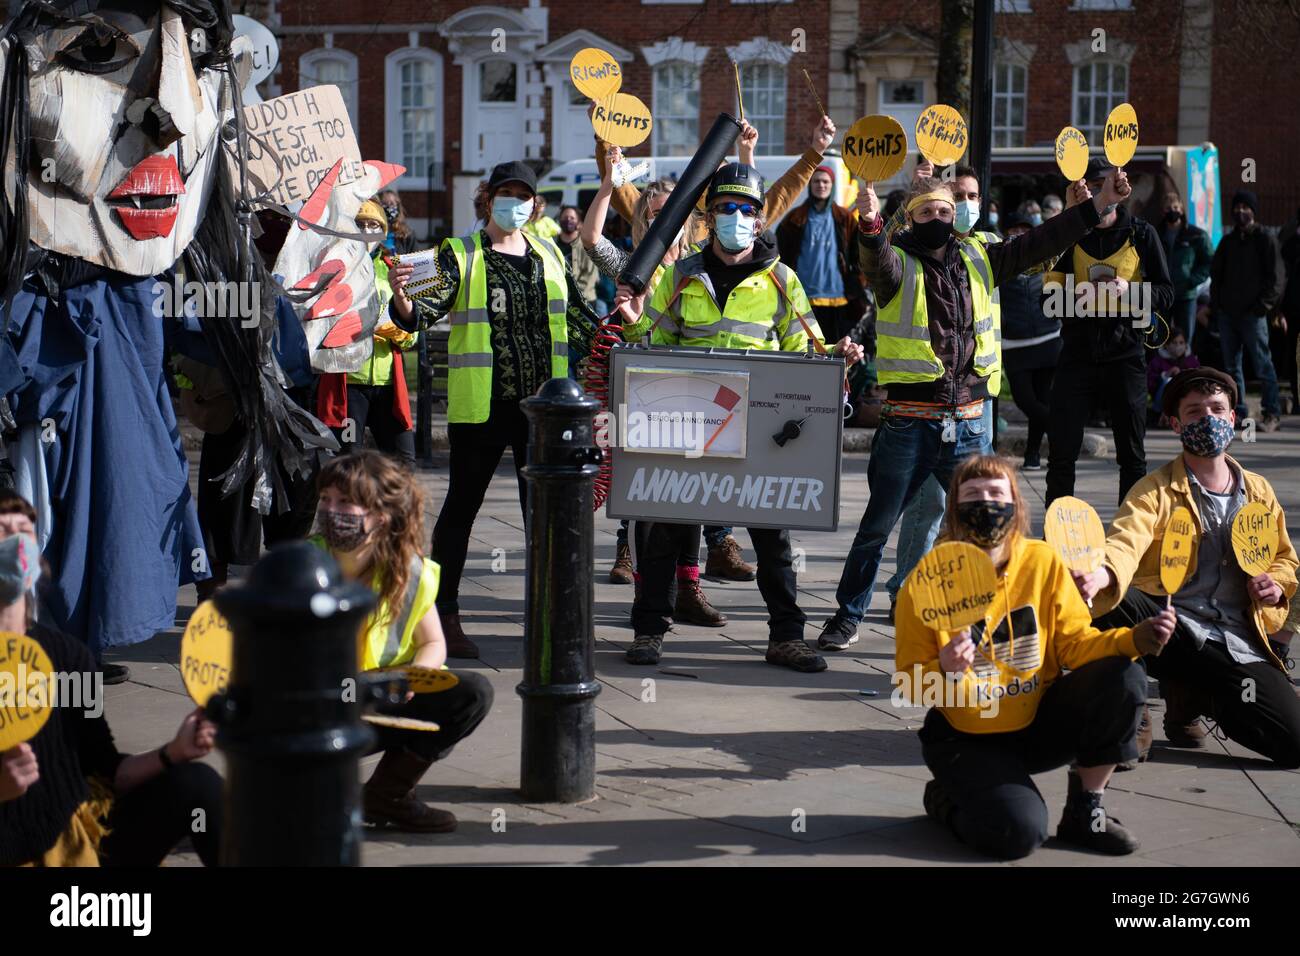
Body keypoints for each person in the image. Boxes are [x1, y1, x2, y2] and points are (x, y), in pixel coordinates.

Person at [818, 167, 1123, 651]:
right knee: (877, 527)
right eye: (927, 212)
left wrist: (1096, 205)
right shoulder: (898, 264)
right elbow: (874, 261)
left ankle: (994, 621)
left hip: (969, 423)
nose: (938, 217)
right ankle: (847, 615)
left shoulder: (980, 255)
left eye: (945, 210)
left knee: (988, 529)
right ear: (911, 219)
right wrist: (871, 223)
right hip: (909, 425)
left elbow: (1040, 243)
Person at [615, 162, 864, 672]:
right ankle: (649, 630)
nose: (737, 217)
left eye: (746, 209)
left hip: (758, 432)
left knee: (773, 536)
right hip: (690, 424)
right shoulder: (681, 278)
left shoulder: (782, 281)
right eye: (726, 208)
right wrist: (632, 327)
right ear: (709, 217)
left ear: (758, 219)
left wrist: (836, 355)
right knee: (664, 528)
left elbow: (807, 351)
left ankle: (786, 637)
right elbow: (653, 349)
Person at [897, 455, 1175, 859]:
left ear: (1016, 503)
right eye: (972, 494)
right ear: (954, 507)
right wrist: (945, 670)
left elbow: (1076, 644)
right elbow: (911, 685)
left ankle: (1085, 810)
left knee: (1123, 676)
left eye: (997, 493)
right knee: (1018, 835)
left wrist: (1133, 639)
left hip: (1037, 721)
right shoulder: (928, 580)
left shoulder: (1043, 561)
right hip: (967, 737)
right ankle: (946, 799)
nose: (986, 502)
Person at [401, 161, 598, 659]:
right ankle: (441, 617)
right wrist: (403, 297)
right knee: (461, 511)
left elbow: (580, 322)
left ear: (536, 204)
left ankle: (556, 617)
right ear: (488, 200)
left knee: (546, 518)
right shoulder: (461, 252)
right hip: (483, 406)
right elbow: (421, 312)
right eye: (505, 194)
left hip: (543, 410)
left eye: (523, 195)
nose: (515, 203)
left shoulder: (551, 253)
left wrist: (627, 329)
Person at [1076, 369, 1299, 765]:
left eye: (1217, 409)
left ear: (1233, 419)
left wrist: (1276, 586)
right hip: (1168, 627)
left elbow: (1285, 559)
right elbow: (1126, 541)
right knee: (1107, 601)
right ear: (1176, 423)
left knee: (1293, 742)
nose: (1208, 419)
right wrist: (1103, 574)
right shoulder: (1154, 490)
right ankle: (1131, 708)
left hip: (1236, 641)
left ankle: (1198, 695)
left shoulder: (1260, 491)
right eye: (1195, 412)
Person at [0, 491, 224, 866]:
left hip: (77, 844)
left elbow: (103, 769)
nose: (14, 544)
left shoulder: (69, 658)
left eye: (23, 531)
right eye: (3, 532)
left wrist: (173, 752)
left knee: (196, 783)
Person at [581, 151, 732, 621]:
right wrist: (608, 185)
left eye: (671, 213)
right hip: (644, 395)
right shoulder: (633, 268)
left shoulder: (698, 269)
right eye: (652, 214)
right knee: (644, 494)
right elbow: (589, 239)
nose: (661, 223)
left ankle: (689, 586)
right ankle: (647, 591)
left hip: (691, 395)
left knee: (690, 495)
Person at [309, 452, 494, 831]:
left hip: (380, 699)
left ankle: (386, 796)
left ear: (381, 514)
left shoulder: (408, 571)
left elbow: (434, 645)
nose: (331, 510)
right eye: (325, 499)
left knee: (473, 691)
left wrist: (416, 677)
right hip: (314, 707)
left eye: (345, 502)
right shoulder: (302, 564)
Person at [1044, 157, 1175, 508]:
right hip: (1076, 354)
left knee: (1132, 456)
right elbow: (1047, 295)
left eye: (1103, 183)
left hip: (1126, 355)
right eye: (1090, 185)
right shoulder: (1070, 234)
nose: (1097, 191)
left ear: (1118, 185)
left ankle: (1127, 536)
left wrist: (1129, 291)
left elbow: (1166, 293)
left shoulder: (1141, 234)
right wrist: (1074, 295)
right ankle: (1057, 535)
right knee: (1061, 455)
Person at [318, 200, 420, 466]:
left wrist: (392, 329)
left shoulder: (394, 270)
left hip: (387, 384)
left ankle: (391, 510)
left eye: (373, 224)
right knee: (348, 461)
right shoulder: (332, 268)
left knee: (403, 462)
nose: (366, 229)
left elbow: (413, 333)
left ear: (384, 231)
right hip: (349, 385)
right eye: (360, 224)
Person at [1211, 190, 1285, 431]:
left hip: (1253, 315)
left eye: (1245, 207)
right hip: (1228, 314)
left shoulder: (1265, 239)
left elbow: (1276, 278)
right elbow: (1216, 276)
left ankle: (1271, 412)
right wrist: (1217, 307)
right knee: (1232, 368)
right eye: (1237, 207)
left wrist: (1261, 307)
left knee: (1263, 364)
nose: (1240, 211)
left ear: (1253, 211)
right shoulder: (1228, 241)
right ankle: (1239, 413)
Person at [776, 165, 865, 343]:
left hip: (838, 299)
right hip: (802, 300)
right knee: (804, 351)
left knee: (835, 353)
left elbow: (860, 255)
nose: (821, 185)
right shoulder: (794, 218)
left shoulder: (845, 218)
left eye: (825, 181)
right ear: (810, 185)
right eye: (816, 181)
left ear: (832, 185)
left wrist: (858, 283)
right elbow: (780, 256)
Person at [998, 212, 1058, 469]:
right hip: (1015, 343)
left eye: (1026, 230)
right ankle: (1060, 430)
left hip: (1049, 338)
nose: (1020, 235)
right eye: (1015, 230)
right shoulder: (1000, 261)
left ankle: (1033, 454)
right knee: (1026, 401)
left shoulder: (1046, 261)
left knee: (1043, 399)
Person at [1159, 192, 1213, 347]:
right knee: (1160, 339)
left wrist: (1192, 280)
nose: (1172, 211)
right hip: (1162, 295)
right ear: (1163, 211)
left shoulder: (1196, 235)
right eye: (1168, 208)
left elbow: (1209, 262)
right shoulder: (1156, 233)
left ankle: (1186, 370)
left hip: (1186, 294)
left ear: (1181, 210)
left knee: (1186, 341)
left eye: (1175, 207)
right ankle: (1160, 370)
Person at [1146, 326, 1200, 424]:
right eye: (1174, 343)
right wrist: (1164, 376)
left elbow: (1198, 379)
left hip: (1185, 399)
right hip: (1160, 400)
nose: (1178, 346)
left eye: (1181, 343)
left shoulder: (1191, 361)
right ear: (1166, 344)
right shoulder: (1157, 361)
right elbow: (1149, 383)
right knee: (1168, 382)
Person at [556, 204, 600, 309]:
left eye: (572, 218)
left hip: (584, 299)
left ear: (579, 223)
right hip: (558, 298)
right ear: (559, 220)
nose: (568, 220)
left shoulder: (587, 245)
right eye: (565, 217)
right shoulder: (551, 243)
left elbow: (591, 277)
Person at [379, 189, 420, 256]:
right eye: (384, 204)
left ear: (397, 206)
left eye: (392, 204)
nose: (388, 207)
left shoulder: (407, 235)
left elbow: (416, 261)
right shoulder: (371, 234)